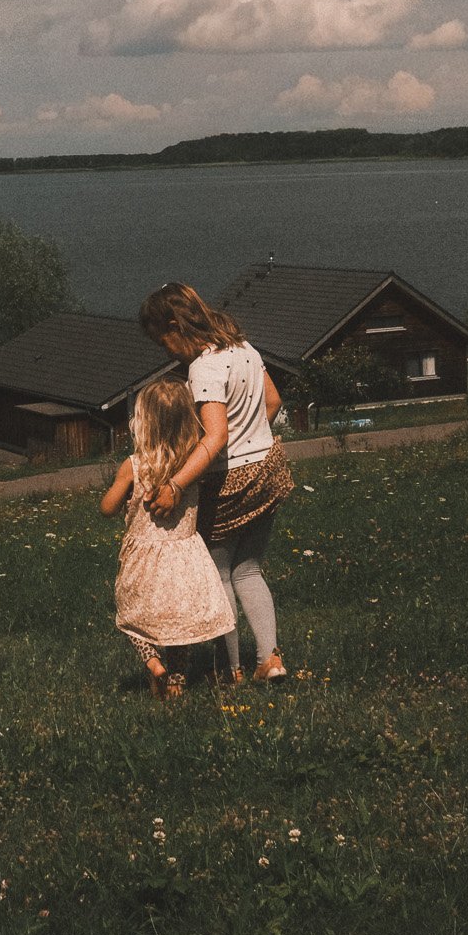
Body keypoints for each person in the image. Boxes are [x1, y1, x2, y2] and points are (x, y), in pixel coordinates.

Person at [138, 281, 294, 683]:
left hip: (230, 482)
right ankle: (270, 659)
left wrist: (175, 485)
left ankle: (234, 670)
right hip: (268, 470)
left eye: (163, 341)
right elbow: (273, 402)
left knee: (220, 575)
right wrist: (253, 436)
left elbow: (215, 436)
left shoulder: (204, 367)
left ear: (176, 325)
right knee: (250, 570)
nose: (166, 351)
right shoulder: (245, 349)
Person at [100, 379, 237, 700]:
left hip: (144, 560)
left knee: (132, 616)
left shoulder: (133, 466)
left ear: (143, 422)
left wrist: (119, 489)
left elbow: (107, 508)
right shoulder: (192, 467)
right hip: (185, 558)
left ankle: (153, 663)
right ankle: (176, 677)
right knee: (178, 624)